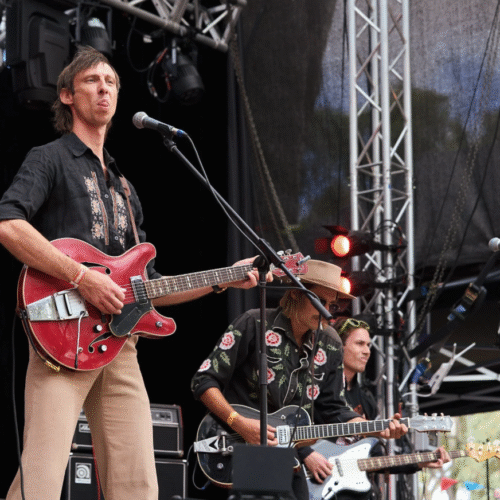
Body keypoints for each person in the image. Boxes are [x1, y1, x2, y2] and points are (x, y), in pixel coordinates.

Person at [0, 46, 265, 500]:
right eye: (91, 80)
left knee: (138, 484)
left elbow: (149, 288)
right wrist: (83, 278)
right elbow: (9, 225)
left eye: (111, 82)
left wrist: (222, 277)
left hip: (120, 345)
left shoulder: (124, 187)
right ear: (66, 95)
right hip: (62, 336)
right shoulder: (49, 159)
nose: (103, 88)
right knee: (41, 478)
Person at [191, 260, 408, 500]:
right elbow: (204, 380)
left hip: (289, 454)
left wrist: (376, 429)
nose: (326, 310)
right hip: (238, 446)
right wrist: (239, 423)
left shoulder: (330, 343)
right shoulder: (254, 322)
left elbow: (333, 407)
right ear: (296, 293)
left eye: (332, 305)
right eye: (320, 301)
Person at [320, 316, 451, 499]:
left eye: (368, 345)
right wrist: (307, 454)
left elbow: (376, 460)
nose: (367, 351)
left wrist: (420, 461)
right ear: (339, 347)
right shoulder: (318, 389)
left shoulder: (366, 402)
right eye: (359, 344)